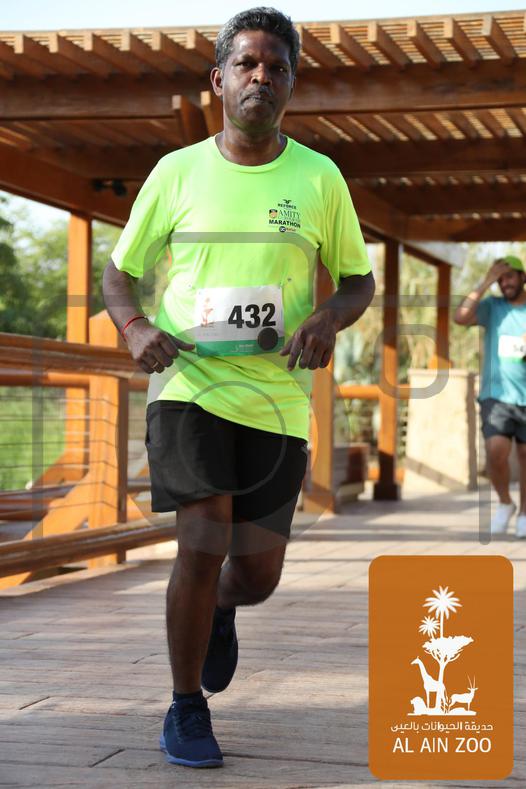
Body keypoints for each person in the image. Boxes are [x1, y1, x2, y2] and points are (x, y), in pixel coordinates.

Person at [102, 6, 374, 769]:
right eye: (248, 64)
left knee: (256, 574)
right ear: (219, 79)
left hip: (277, 398)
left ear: (291, 84)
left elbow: (358, 280)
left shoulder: (319, 178)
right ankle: (185, 704)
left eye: (277, 67)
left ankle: (222, 606)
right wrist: (134, 327)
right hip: (189, 385)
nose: (262, 76)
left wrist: (327, 316)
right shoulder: (176, 173)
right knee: (201, 537)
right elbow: (119, 272)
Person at [454, 254, 526, 537]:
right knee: (495, 452)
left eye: (510, 276)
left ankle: (524, 513)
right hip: (496, 396)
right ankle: (506, 503)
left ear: (522, 277)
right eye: (500, 279)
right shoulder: (492, 307)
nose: (505, 283)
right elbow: (460, 317)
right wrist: (485, 282)